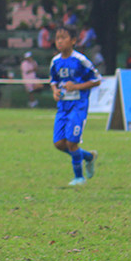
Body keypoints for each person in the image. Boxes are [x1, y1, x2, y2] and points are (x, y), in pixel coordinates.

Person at [50, 25, 101, 185]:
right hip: (63, 107)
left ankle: (79, 177)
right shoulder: (55, 61)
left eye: (63, 38)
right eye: (57, 38)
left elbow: (97, 80)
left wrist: (77, 87)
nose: (59, 41)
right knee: (59, 144)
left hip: (78, 106)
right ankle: (88, 156)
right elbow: (54, 81)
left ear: (73, 41)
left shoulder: (80, 60)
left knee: (72, 142)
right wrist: (55, 91)